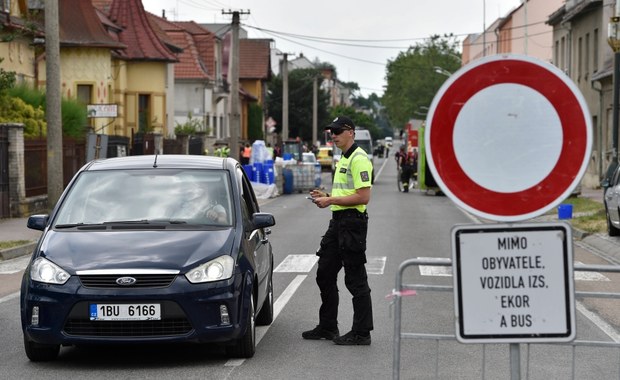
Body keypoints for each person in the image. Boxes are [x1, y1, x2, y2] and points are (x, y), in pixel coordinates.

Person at [302, 116, 374, 346]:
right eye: (331, 131)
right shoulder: (343, 157)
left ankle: (362, 333)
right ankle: (328, 327)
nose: (333, 135)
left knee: (355, 280)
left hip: (352, 224)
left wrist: (331, 199)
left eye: (337, 131)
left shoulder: (359, 158)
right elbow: (346, 192)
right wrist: (326, 197)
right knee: (324, 272)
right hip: (338, 222)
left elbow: (364, 197)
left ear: (350, 132)